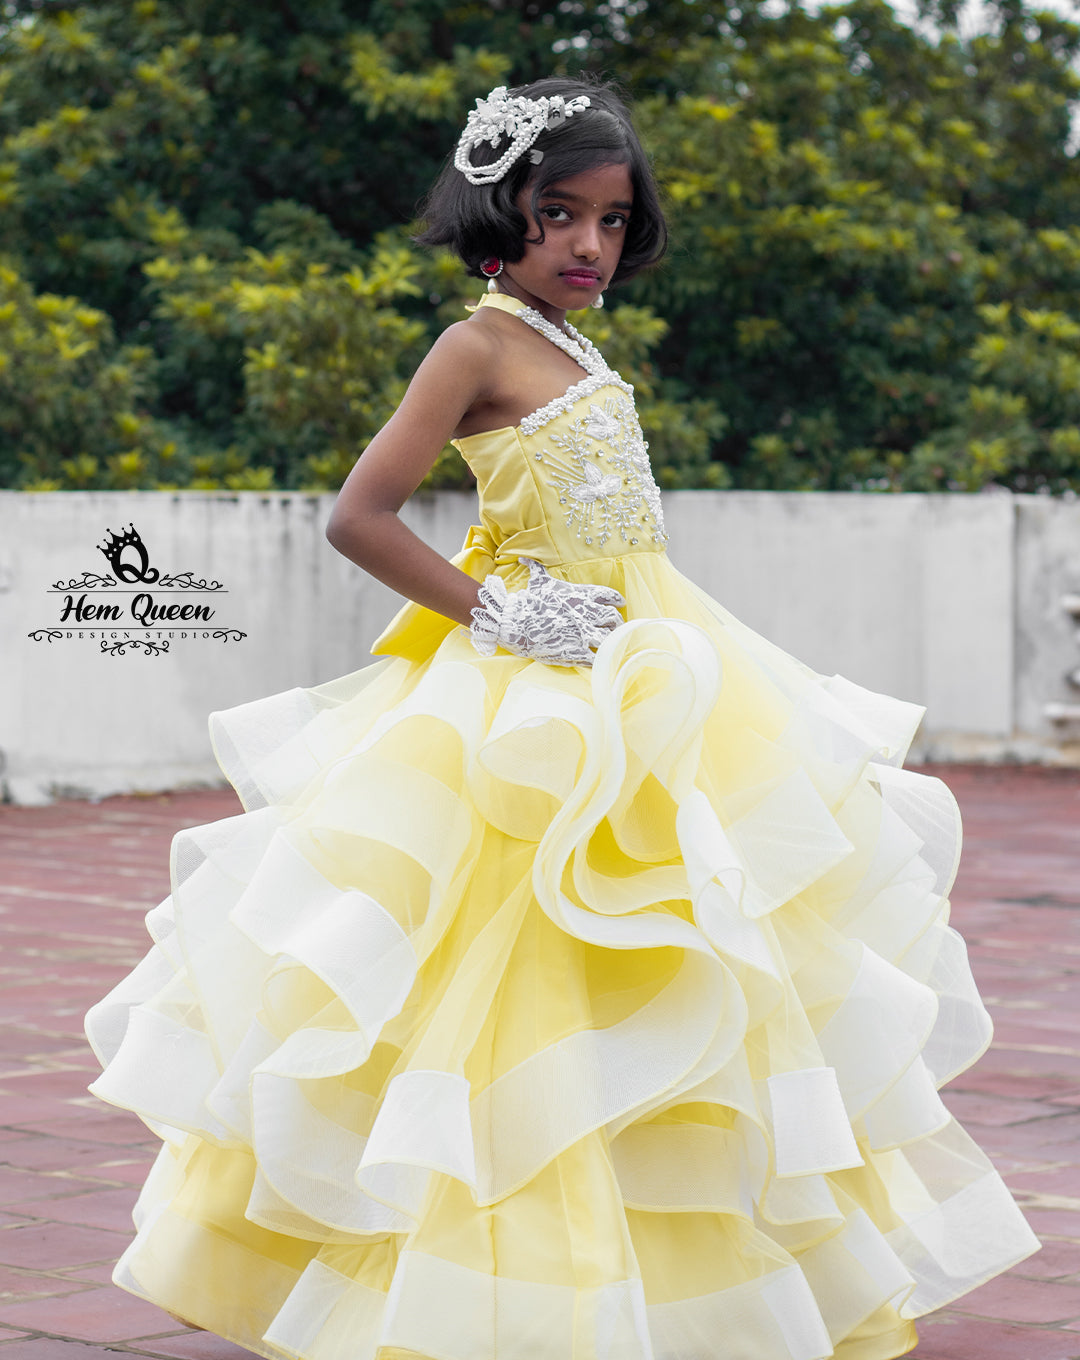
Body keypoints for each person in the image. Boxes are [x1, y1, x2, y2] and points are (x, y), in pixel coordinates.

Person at [85, 76, 1038, 1360]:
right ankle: (484, 1283)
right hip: (537, 696)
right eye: (558, 215)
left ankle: (659, 1281)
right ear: (502, 214)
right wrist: (498, 614)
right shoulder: (475, 343)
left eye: (609, 219)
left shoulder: (584, 349)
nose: (587, 245)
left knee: (675, 963)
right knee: (504, 971)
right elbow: (357, 515)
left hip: (654, 666)